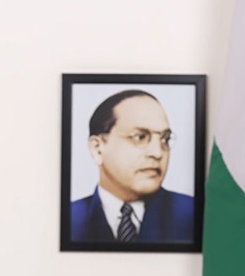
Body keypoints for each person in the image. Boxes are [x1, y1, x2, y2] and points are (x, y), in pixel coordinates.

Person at [70, 90, 194, 243]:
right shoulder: (69, 220)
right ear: (98, 149)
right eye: (140, 137)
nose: (157, 153)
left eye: (165, 139)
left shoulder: (192, 215)